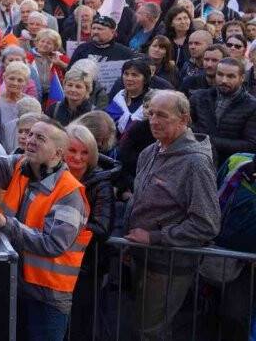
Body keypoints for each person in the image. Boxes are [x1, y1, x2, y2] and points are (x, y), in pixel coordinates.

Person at [0, 111, 91, 341]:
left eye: (40, 138)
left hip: (47, 299)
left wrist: (7, 223)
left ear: (58, 152)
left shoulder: (69, 193)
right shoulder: (20, 165)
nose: (30, 140)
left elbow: (53, 243)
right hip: (16, 284)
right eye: (31, 134)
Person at [124, 90, 220, 341]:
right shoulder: (150, 152)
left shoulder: (196, 164)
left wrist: (155, 237)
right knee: (139, 327)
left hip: (169, 266)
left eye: (162, 116)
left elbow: (206, 224)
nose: (153, 121)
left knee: (150, 332)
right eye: (151, 113)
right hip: (141, 259)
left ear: (184, 119)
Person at [64, 125, 119, 341]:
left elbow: (102, 228)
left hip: (86, 268)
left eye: (84, 152)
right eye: (72, 150)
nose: (78, 157)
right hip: (49, 264)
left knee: (79, 325)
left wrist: (61, 230)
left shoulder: (101, 182)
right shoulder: (49, 172)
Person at [188, 57, 256, 167]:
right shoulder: (199, 97)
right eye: (220, 74)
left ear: (242, 78)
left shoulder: (252, 106)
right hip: (196, 161)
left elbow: (251, 145)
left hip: (229, 167)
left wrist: (208, 140)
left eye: (230, 76)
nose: (224, 80)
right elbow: (185, 127)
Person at [68, 15, 136, 67]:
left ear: (112, 32)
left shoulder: (125, 53)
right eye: (93, 28)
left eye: (100, 29)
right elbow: (71, 71)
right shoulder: (82, 49)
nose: (95, 31)